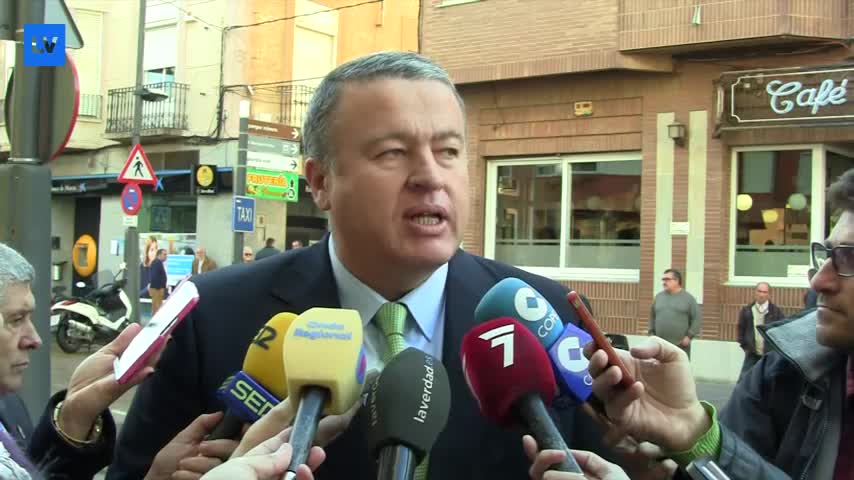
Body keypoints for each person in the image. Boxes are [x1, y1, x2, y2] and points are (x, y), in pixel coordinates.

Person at [109, 51, 635, 480]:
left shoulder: (539, 317)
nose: (431, 176)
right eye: (392, 153)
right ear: (319, 183)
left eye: (449, 151)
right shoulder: (211, 317)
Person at [577, 169, 854, 480]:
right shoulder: (782, 373)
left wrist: (688, 338)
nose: (819, 280)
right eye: (827, 255)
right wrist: (690, 435)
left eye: (850, 259)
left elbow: (695, 319)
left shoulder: (692, 303)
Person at [736, 282, 784, 382]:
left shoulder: (776, 312)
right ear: (755, 292)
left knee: (769, 381)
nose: (761, 294)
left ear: (769, 294)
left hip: (769, 354)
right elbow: (741, 329)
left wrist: (775, 349)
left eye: (764, 292)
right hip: (752, 353)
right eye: (759, 291)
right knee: (743, 380)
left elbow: (781, 331)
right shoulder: (747, 310)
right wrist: (745, 346)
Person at [648, 269, 701, 358]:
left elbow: (696, 319)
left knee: (678, 370)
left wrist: (689, 336)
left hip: (680, 346)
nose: (664, 282)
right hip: (660, 345)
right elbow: (652, 316)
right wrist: (651, 334)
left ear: (676, 281)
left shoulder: (688, 298)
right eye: (663, 280)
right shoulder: (659, 297)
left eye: (667, 279)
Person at [149, 249, 167, 315]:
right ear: (159, 255)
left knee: (157, 306)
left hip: (158, 288)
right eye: (164, 254)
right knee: (156, 307)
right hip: (157, 289)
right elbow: (154, 276)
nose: (166, 256)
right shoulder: (156, 262)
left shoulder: (159, 263)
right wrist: (160, 287)